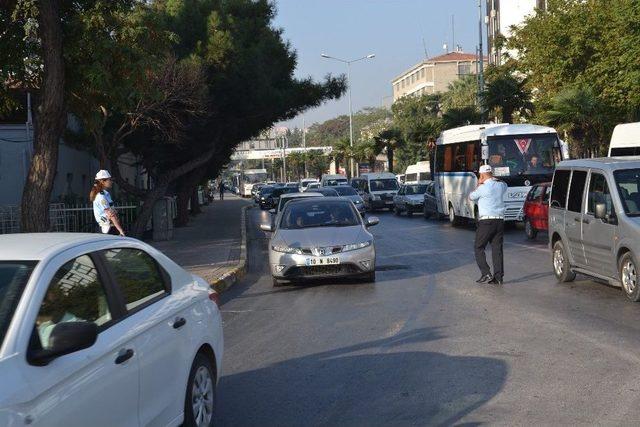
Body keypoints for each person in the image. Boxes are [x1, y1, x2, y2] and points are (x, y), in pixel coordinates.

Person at [469, 165, 507, 285]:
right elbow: (505, 185)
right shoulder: (500, 185)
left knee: (478, 247)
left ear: (482, 175)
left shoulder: (483, 188)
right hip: (500, 221)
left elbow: (471, 197)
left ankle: (486, 273)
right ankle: (498, 277)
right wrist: (494, 178)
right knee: (497, 249)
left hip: (486, 222)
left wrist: (479, 184)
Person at [90, 170, 126, 236]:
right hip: (107, 229)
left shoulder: (106, 194)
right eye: (109, 180)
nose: (111, 182)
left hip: (111, 226)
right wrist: (120, 230)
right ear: (103, 182)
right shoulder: (101, 196)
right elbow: (110, 214)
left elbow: (111, 211)